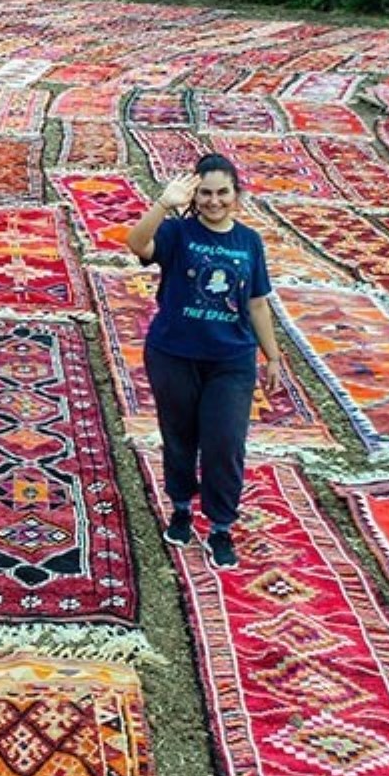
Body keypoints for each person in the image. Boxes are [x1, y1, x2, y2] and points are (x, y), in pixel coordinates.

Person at [125, 153, 284, 570]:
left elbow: (257, 304)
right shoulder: (178, 232)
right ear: (195, 194)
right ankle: (180, 506)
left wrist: (273, 356)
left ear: (236, 196)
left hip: (230, 360)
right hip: (173, 354)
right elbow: (136, 243)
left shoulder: (249, 241)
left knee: (225, 442)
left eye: (222, 193)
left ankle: (220, 526)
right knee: (179, 436)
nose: (214, 201)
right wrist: (163, 203)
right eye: (206, 193)